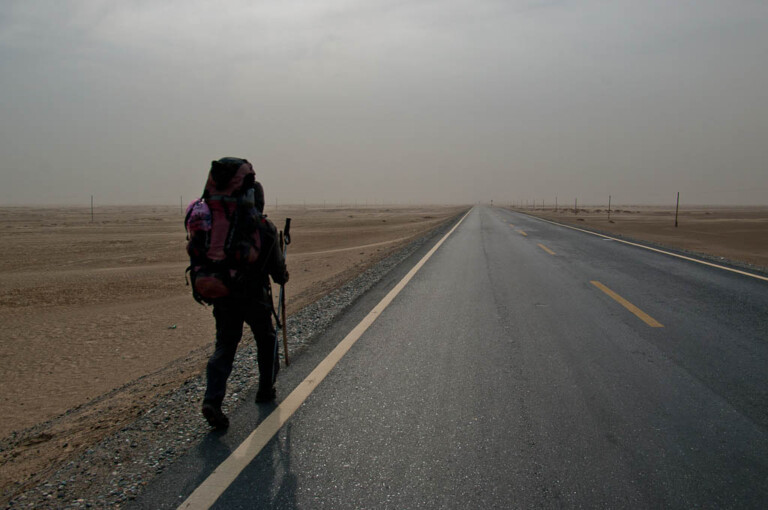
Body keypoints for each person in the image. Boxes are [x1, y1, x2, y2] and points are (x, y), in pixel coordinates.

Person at [200, 160, 289, 430]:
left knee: (225, 345)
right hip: (254, 297)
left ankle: (212, 400)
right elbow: (277, 272)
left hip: (224, 296)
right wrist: (282, 274)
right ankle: (266, 388)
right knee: (266, 338)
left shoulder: (219, 226)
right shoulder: (264, 228)